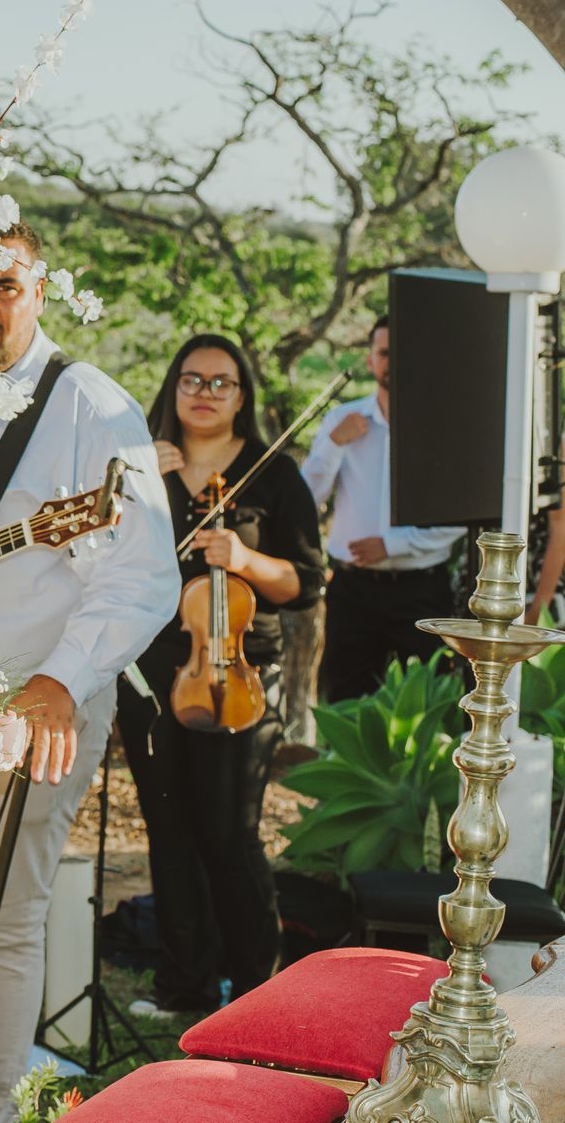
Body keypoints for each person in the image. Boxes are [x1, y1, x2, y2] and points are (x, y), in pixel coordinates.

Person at [0, 222, 177, 1123]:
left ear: (41, 290)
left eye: (5, 286)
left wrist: (62, 679)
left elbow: (144, 572)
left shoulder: (91, 407)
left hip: (30, 701)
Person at [119, 335, 325, 1017]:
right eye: (192, 380)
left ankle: (259, 994)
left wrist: (243, 559)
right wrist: (130, 476)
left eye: (221, 383)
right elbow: (97, 550)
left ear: (243, 396)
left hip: (238, 674)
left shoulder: (273, 475)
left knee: (230, 835)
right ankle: (186, 988)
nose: (205, 393)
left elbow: (306, 583)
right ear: (172, 387)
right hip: (151, 677)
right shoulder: (142, 465)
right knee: (169, 832)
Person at [301, 319, 463, 703]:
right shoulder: (340, 421)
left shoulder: (444, 428)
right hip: (352, 590)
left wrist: (392, 545)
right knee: (347, 701)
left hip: (422, 588)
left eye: (402, 353)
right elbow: (306, 498)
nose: (392, 361)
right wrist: (333, 446)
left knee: (427, 701)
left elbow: (461, 518)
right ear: (371, 360)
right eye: (385, 352)